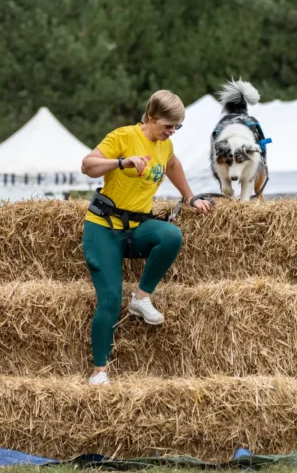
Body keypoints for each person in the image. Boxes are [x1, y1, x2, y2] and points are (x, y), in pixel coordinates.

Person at [80, 90, 212, 385]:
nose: (172, 131)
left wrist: (189, 197)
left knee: (171, 235)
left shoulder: (165, 145)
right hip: (103, 227)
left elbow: (172, 164)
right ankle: (99, 372)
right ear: (151, 117)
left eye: (177, 126)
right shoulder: (123, 136)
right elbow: (87, 166)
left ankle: (141, 298)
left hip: (136, 227)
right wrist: (121, 163)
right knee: (110, 299)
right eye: (168, 125)